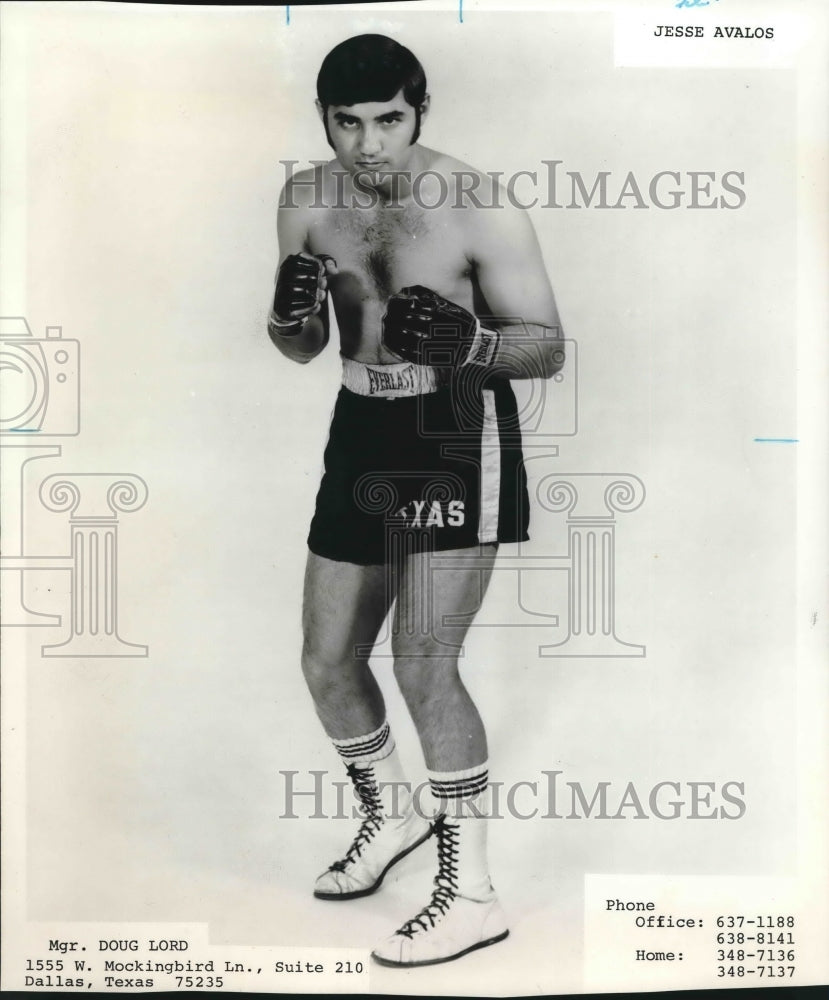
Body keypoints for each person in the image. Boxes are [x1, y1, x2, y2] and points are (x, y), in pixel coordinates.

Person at [267, 33, 563, 968]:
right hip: (359, 425)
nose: (367, 142)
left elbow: (548, 346)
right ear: (324, 119)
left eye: (387, 119)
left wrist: (472, 346)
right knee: (325, 660)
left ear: (419, 109)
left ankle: (472, 895)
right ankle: (391, 815)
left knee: (423, 663)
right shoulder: (305, 199)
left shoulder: (479, 203)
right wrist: (288, 316)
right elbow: (302, 348)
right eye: (346, 122)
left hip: (453, 428)